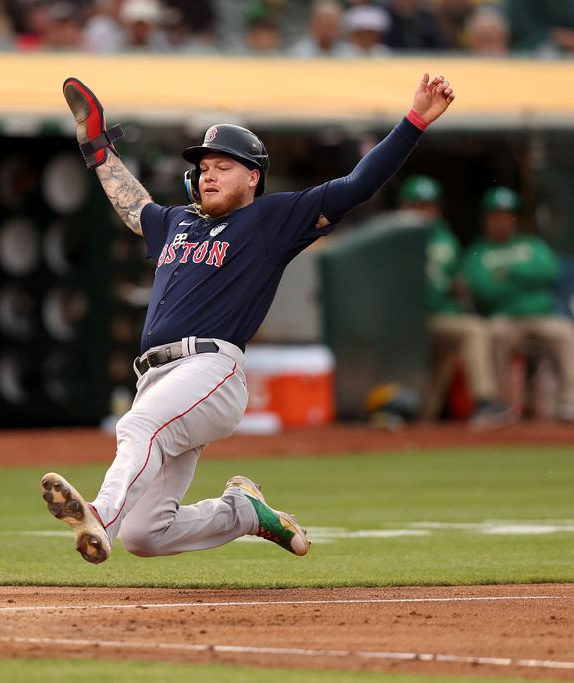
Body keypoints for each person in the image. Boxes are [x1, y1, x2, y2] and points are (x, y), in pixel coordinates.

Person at [43, 72, 455, 565]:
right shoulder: (177, 221)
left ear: (253, 177)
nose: (208, 174)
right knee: (146, 535)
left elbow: (356, 185)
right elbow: (134, 206)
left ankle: (99, 514)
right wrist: (97, 148)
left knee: (140, 428)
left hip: (210, 370)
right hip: (156, 376)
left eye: (223, 165)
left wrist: (413, 122)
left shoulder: (269, 222)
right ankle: (244, 512)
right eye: (204, 166)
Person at [397, 175, 512, 428]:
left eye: (428, 206)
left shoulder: (445, 239)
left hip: (440, 320)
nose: (423, 212)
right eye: (416, 205)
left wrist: (458, 288)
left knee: (428, 410)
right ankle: (486, 401)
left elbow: (456, 283)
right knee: (473, 330)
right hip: (408, 322)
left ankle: (420, 438)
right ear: (403, 207)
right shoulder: (393, 238)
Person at [462, 186, 574, 421]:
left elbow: (551, 271)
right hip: (506, 320)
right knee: (495, 332)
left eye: (506, 214)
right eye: (496, 215)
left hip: (541, 317)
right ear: (486, 219)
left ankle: (569, 404)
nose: (502, 221)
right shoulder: (478, 252)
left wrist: (510, 273)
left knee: (565, 333)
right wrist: (528, 279)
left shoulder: (531, 244)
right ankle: (499, 407)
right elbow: (485, 291)